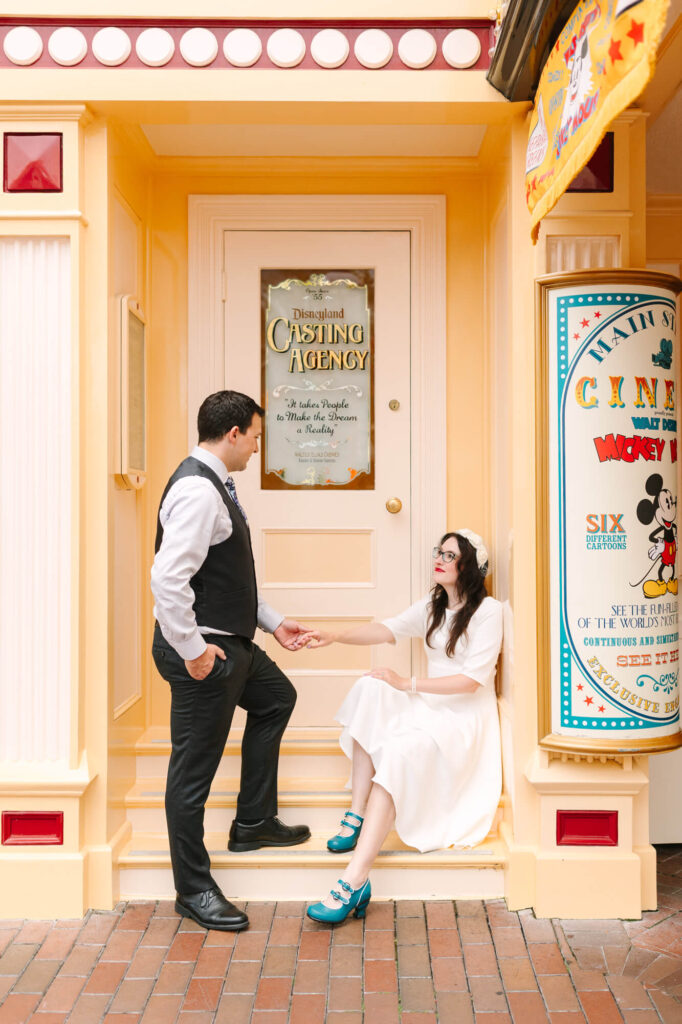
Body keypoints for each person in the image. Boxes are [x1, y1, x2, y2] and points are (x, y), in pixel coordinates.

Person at [151, 390, 316, 932]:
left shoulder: (216, 484)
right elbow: (167, 581)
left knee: (276, 700)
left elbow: (226, 572)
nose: (258, 447)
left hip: (234, 641)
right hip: (207, 652)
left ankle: (252, 821)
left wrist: (273, 620)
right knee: (192, 773)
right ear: (234, 434)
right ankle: (192, 889)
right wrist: (195, 655)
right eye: (257, 437)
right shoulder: (199, 491)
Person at [305, 530, 503, 924]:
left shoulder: (489, 612)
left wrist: (407, 683)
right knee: (370, 687)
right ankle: (357, 813)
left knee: (396, 751)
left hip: (464, 720)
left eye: (450, 554)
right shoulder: (433, 607)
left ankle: (354, 880)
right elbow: (385, 629)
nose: (440, 559)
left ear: (468, 567)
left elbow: (471, 682)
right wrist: (333, 635)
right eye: (439, 552)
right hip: (430, 704)